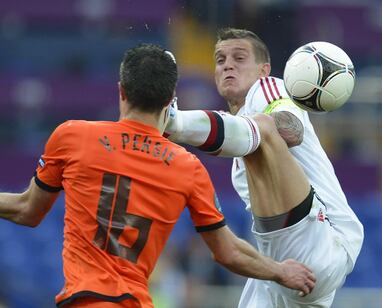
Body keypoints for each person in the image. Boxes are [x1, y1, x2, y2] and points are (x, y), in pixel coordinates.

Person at [0, 44, 316, 308]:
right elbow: (227, 252)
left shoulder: (72, 136)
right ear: (169, 101)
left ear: (121, 90)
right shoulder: (187, 167)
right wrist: (279, 270)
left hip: (84, 299)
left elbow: (27, 210)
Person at [165, 28, 364, 307]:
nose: (228, 65)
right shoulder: (244, 131)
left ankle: (172, 122)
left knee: (264, 131)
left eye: (239, 57)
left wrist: (175, 124)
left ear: (263, 69)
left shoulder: (269, 88)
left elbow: (291, 130)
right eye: (220, 60)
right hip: (286, 261)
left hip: (320, 237)